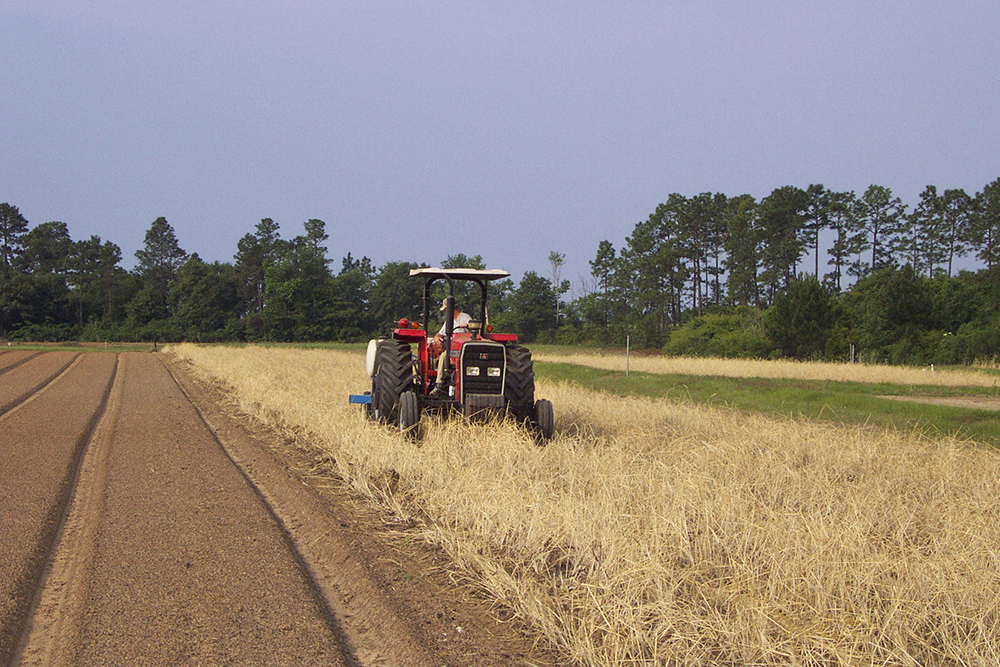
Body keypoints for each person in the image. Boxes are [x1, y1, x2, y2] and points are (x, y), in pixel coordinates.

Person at [431, 299, 471, 395]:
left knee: (444, 356)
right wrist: (437, 337)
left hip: (464, 349)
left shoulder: (465, 317)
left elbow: (474, 327)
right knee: (443, 357)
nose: (445, 312)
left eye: (446, 310)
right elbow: (440, 334)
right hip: (452, 350)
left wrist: (467, 326)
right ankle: (439, 383)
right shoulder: (449, 322)